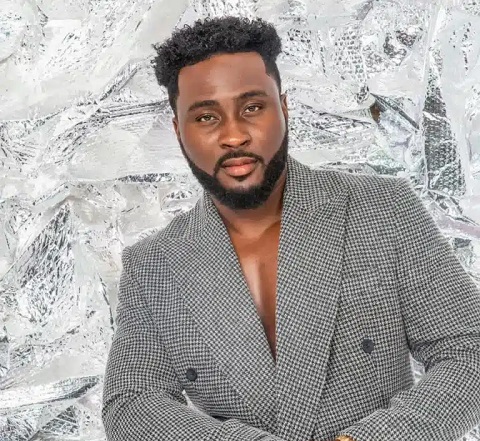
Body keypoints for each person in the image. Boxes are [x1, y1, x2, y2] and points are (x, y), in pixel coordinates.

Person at [101, 16, 480, 441]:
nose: (234, 136)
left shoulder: (382, 208)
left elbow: (468, 351)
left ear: (283, 108)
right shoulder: (153, 265)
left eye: (252, 108)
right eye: (206, 117)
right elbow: (131, 403)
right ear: (177, 130)